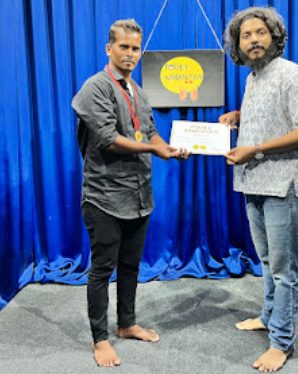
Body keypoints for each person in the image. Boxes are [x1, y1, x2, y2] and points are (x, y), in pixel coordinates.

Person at [72, 19, 189, 367]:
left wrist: (168, 147)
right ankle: (100, 339)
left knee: (130, 265)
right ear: (109, 49)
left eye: (136, 48)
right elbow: (107, 138)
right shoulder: (95, 87)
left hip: (138, 197)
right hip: (104, 196)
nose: (130, 54)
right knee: (102, 269)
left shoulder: (137, 91)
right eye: (124, 47)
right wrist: (154, 149)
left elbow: (149, 131)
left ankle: (126, 324)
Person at [219, 7, 298, 372]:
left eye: (260, 32)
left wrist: (256, 150)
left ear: (275, 36)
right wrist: (238, 117)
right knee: (266, 261)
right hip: (253, 182)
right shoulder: (253, 78)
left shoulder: (291, 73)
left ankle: (282, 342)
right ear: (238, 45)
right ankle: (268, 316)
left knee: (283, 269)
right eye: (245, 35)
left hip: (282, 185)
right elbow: (270, 116)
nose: (253, 40)